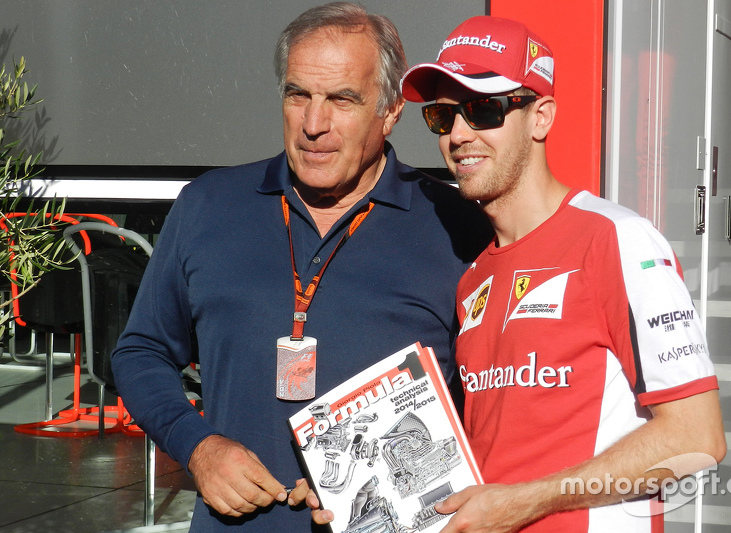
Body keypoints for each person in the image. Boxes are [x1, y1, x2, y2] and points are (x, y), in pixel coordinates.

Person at [110, 3, 491, 531]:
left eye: (342, 99)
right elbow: (140, 350)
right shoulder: (207, 205)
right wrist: (197, 446)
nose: (314, 124)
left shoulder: (456, 227)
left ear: (390, 110)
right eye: (298, 95)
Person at [394, 15, 727, 533]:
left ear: (541, 117)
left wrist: (524, 503)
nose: (459, 135)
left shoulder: (616, 238)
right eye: (443, 115)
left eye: (484, 109)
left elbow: (696, 438)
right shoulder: (472, 278)